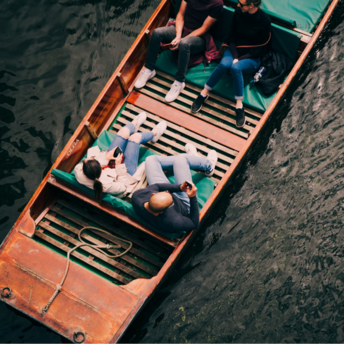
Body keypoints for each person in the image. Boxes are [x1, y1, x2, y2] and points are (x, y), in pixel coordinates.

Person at [191, 0, 271, 128]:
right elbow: (231, 37)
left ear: (251, 5)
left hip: (252, 57)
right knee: (224, 65)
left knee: (235, 68)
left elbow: (260, 49)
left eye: (241, 3)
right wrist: (235, 56)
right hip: (234, 51)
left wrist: (239, 59)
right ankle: (203, 93)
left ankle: (239, 106)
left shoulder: (264, 21)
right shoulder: (238, 12)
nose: (238, 5)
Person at [134, 0, 223, 103]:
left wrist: (180, 41)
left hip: (199, 37)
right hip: (183, 29)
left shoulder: (217, 3)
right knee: (157, 33)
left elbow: (204, 28)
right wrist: (178, 36)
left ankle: (179, 82)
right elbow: (180, 15)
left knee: (184, 44)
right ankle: (149, 69)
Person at [74, 112, 167, 203]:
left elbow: (93, 161)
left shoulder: (79, 170)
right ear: (99, 169)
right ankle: (155, 133)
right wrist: (119, 166)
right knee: (135, 138)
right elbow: (123, 187)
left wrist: (106, 157)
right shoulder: (106, 185)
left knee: (124, 132)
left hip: (109, 165)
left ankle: (135, 123)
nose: (85, 159)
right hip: (125, 175)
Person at [131, 143, 218, 233]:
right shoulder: (172, 221)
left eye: (165, 193)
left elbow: (157, 186)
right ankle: (209, 166)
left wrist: (179, 188)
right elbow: (194, 223)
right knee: (181, 159)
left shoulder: (137, 196)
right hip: (183, 202)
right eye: (170, 198)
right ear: (162, 212)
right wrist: (192, 197)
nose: (169, 192)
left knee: (151, 159)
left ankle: (191, 158)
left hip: (174, 192)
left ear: (153, 194)